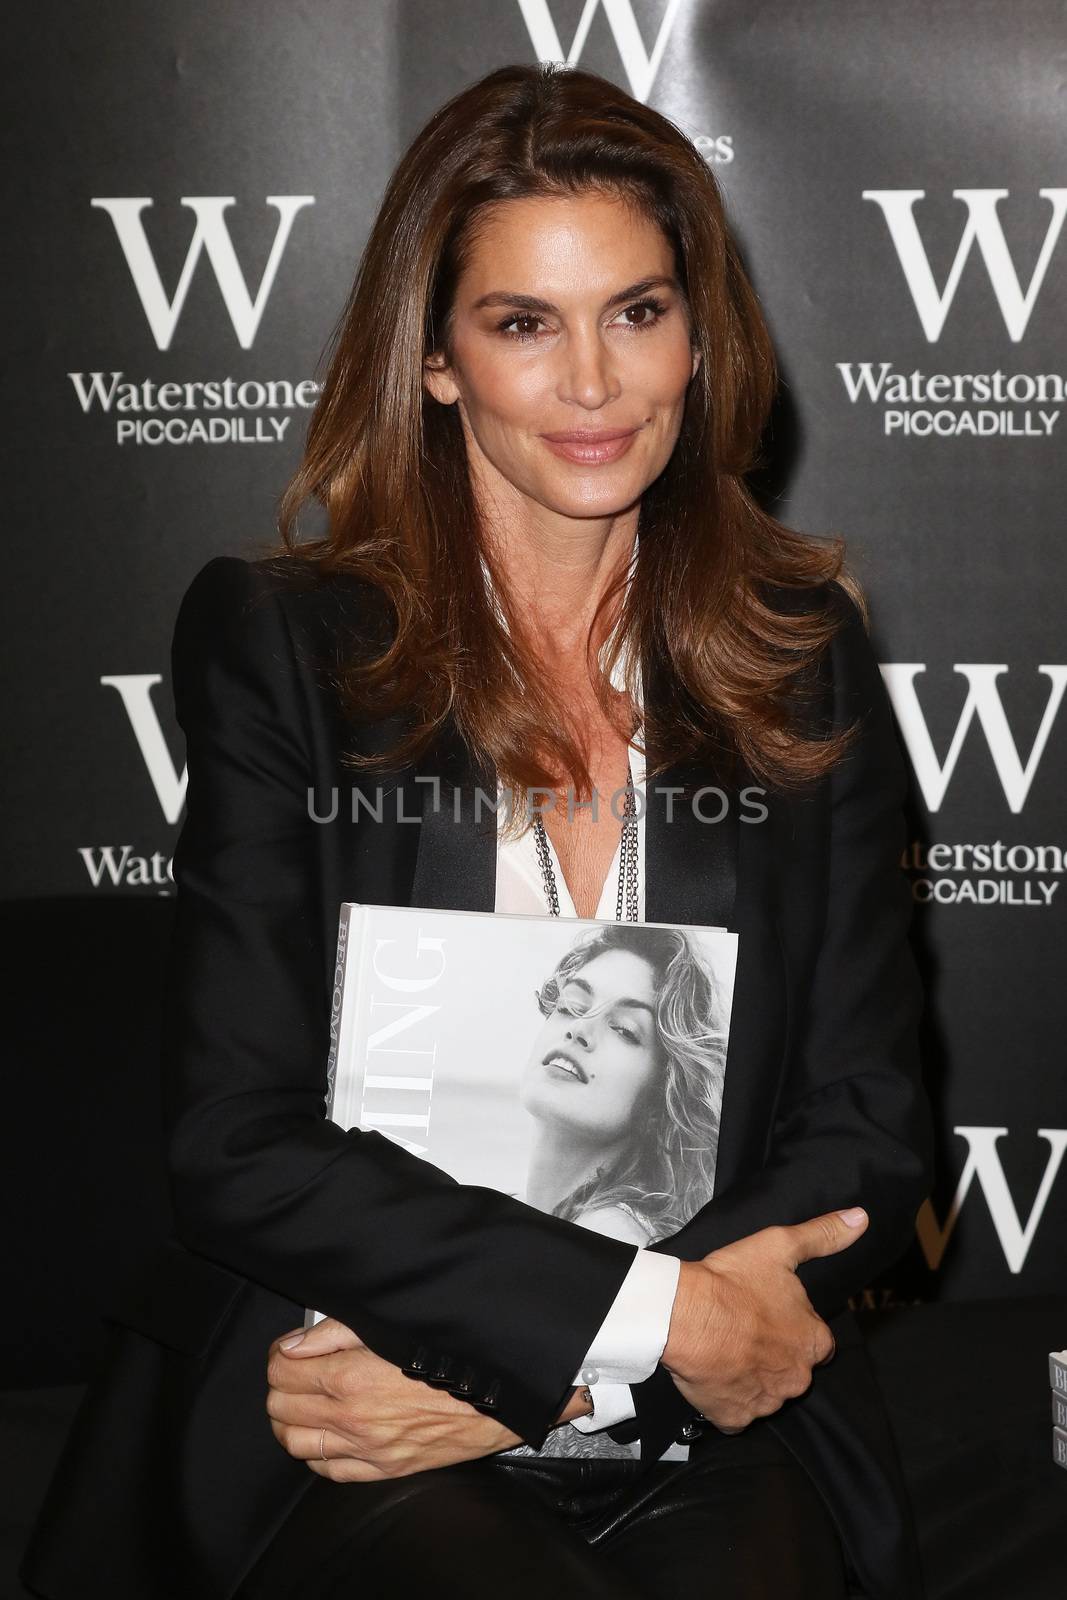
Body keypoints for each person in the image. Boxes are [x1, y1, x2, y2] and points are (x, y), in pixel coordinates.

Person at [20, 61, 934, 1600]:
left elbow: (863, 1130)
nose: (593, 384)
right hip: (350, 1386)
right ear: (436, 360)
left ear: (699, 335)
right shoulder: (287, 647)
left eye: (636, 312)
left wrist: (576, 1370)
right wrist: (638, 1323)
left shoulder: (796, 648)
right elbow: (238, 1148)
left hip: (701, 1409)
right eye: (522, 324)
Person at [520, 923, 728, 1246]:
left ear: (661, 1099)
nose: (579, 1028)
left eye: (624, 1030)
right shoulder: (520, 1217)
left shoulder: (608, 1237)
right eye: (570, 1005)